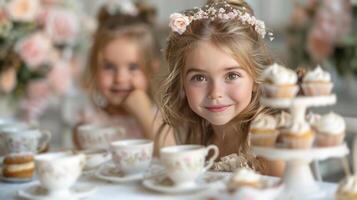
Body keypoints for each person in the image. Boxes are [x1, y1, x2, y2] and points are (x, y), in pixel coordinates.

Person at [156, 0, 284, 176]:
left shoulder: (265, 136)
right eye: (199, 78)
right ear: (182, 84)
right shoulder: (198, 131)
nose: (215, 93)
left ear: (255, 79)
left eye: (232, 76)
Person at [73, 1, 170, 149]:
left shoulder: (159, 117)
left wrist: (144, 114)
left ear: (151, 69)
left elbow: (170, 154)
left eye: (133, 67)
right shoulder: (89, 120)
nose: (120, 78)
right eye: (109, 67)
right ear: (94, 68)